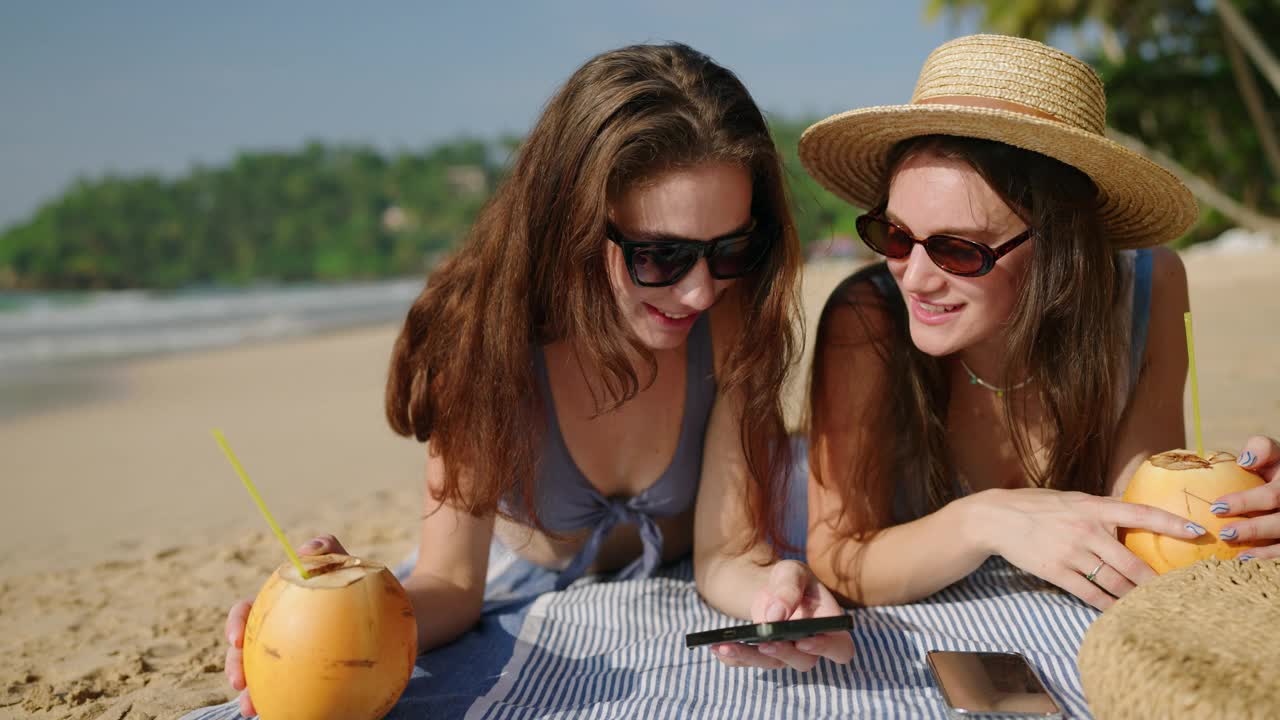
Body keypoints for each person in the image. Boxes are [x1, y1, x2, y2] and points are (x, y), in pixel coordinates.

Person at [221, 41, 852, 716]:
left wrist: (773, 595)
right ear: (572, 227)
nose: (700, 292)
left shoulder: (731, 320)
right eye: (662, 256)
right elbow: (452, 583)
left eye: (731, 247)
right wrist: (346, 616)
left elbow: (727, 553)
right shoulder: (483, 344)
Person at [710, 33, 1280, 669]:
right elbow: (842, 556)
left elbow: (1137, 510)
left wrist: (1232, 512)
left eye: (958, 249)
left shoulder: (1147, 289)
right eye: (894, 236)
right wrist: (988, 520)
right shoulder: (869, 319)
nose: (915, 276)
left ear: (1061, 246)